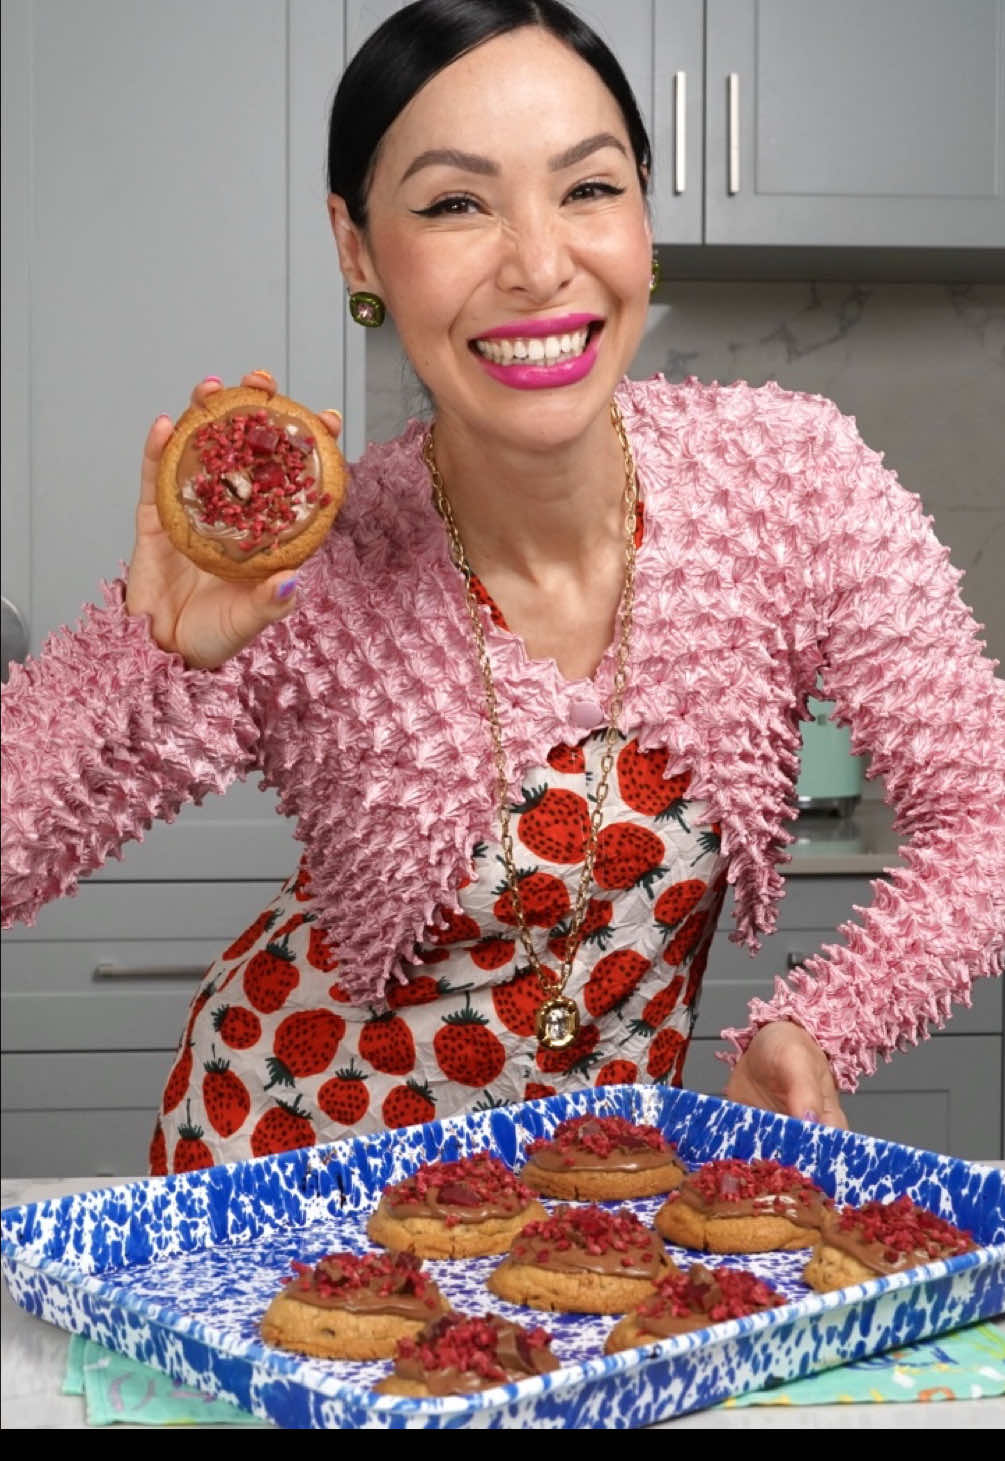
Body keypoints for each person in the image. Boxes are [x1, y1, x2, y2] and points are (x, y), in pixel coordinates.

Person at [2, 0, 1002, 1175]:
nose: (538, 264)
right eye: (455, 203)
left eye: (588, 188)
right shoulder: (300, 560)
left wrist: (816, 1022)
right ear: (359, 249)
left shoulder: (794, 479)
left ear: (642, 211)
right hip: (278, 1173)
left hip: (579, 1201)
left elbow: (986, 822)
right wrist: (154, 652)